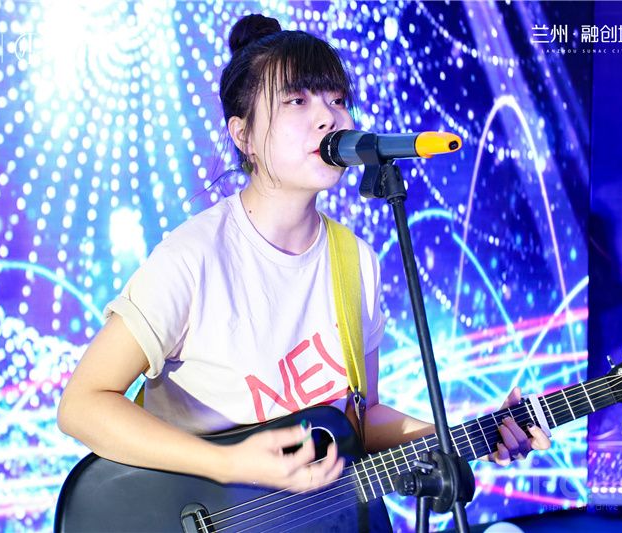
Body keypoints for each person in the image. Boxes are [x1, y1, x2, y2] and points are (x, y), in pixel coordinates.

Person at [57, 14, 550, 497]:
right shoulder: (193, 258)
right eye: (297, 100)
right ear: (243, 135)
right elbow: (81, 406)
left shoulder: (355, 261)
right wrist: (227, 463)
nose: (328, 117)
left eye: (337, 100)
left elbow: (360, 422)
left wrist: (469, 436)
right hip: (195, 513)